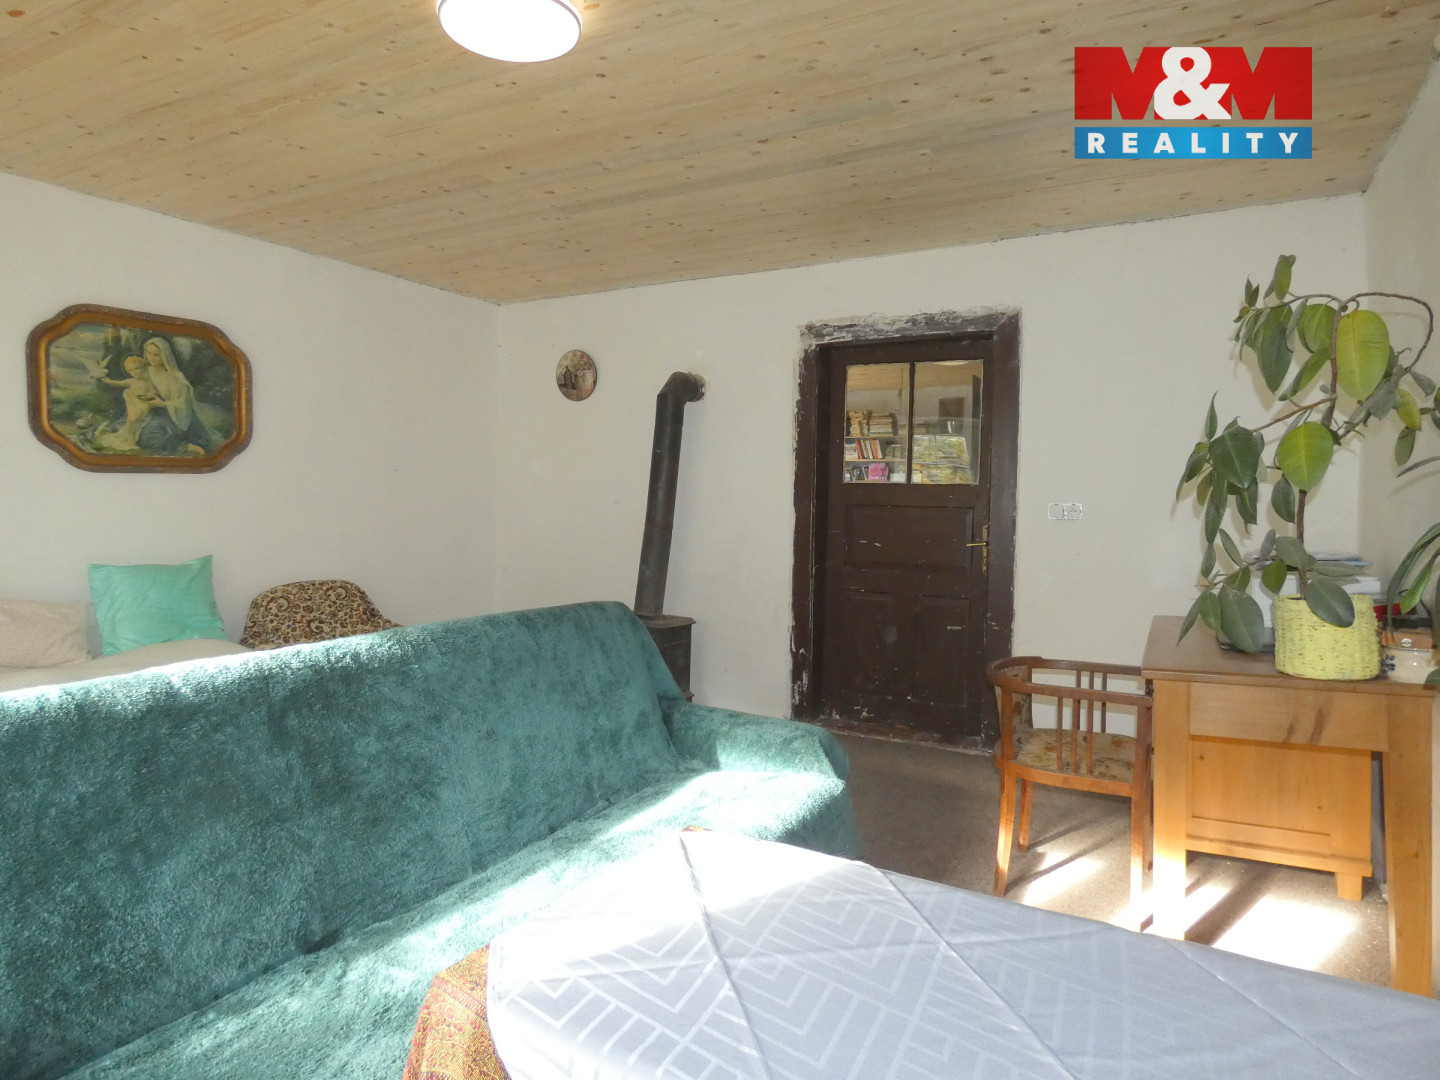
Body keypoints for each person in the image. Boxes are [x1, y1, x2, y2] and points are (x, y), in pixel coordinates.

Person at [139, 337, 219, 455]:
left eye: (156, 355)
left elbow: (183, 404)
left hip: (171, 416)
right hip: (148, 412)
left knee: (148, 437)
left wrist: (162, 404)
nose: (151, 357)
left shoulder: (174, 377)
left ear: (165, 356)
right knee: (132, 432)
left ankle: (185, 446)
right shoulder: (144, 371)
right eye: (149, 353)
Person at [99, 354, 162, 450]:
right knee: (131, 421)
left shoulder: (148, 382)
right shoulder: (131, 381)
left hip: (143, 404)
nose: (134, 372)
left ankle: (131, 439)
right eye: (131, 370)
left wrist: (149, 395)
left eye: (136, 368)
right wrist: (109, 381)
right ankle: (130, 440)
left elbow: (154, 392)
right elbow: (118, 383)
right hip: (133, 404)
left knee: (134, 422)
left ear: (143, 368)